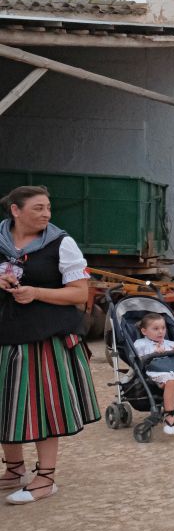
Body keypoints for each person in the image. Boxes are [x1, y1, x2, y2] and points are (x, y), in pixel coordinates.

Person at [1, 186, 100, 504]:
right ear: (15, 211)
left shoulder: (62, 243)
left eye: (48, 208)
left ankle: (46, 477)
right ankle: (14, 470)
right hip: (4, 333)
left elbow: (79, 294)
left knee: (45, 406)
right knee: (4, 404)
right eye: (38, 208)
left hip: (45, 337)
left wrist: (37, 293)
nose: (46, 214)